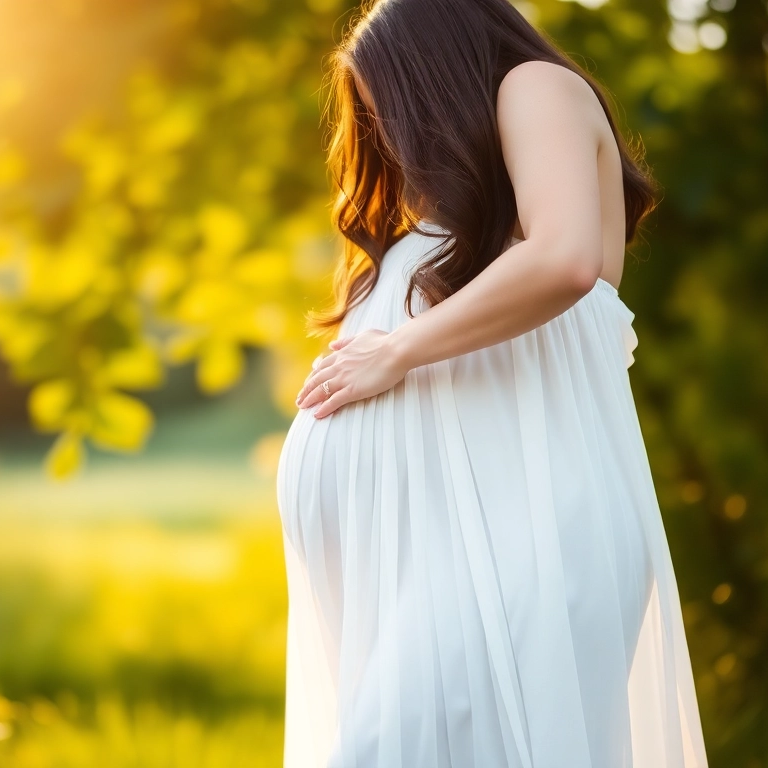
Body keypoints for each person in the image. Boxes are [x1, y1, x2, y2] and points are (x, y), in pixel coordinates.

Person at [273, 0, 711, 766]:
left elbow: (566, 259)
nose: (400, 144)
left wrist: (397, 351)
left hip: (531, 531)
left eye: (394, 111)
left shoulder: (533, 85)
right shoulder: (477, 193)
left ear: (434, 75)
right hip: (451, 551)